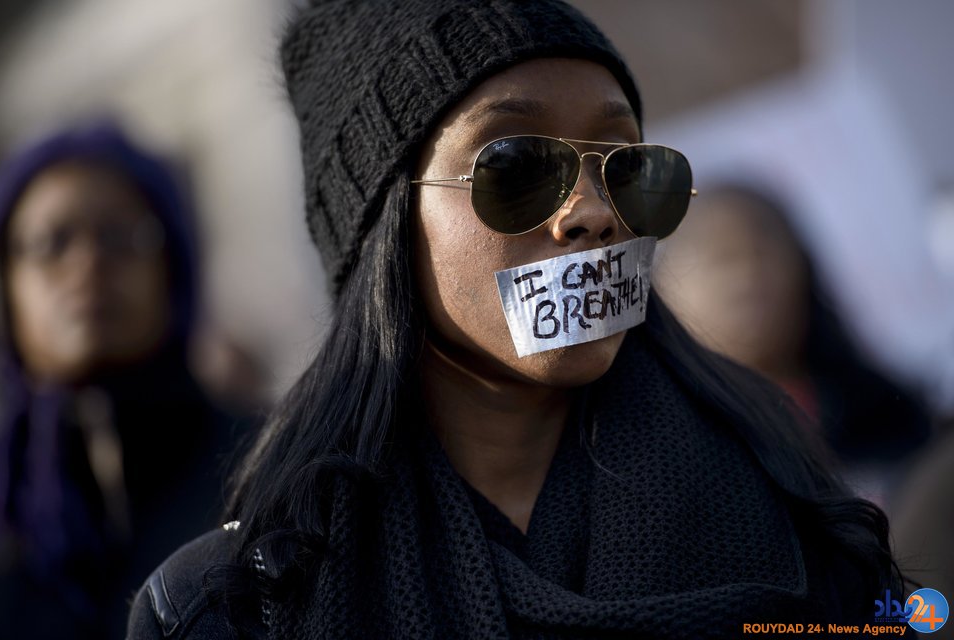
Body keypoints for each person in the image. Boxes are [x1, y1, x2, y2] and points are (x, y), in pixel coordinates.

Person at [128, 2, 908, 638]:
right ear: (384, 231)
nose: (594, 214)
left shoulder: (800, 508)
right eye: (515, 166)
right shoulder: (233, 606)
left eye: (628, 165)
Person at [0, 122, 239, 639]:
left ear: (172, 270)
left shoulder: (270, 472)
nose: (88, 264)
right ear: (6, 289)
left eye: (120, 236)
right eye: (52, 242)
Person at [654, 183, 932, 505]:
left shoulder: (885, 414)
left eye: (763, 252)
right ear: (663, 289)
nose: (746, 277)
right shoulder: (665, 452)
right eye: (720, 258)